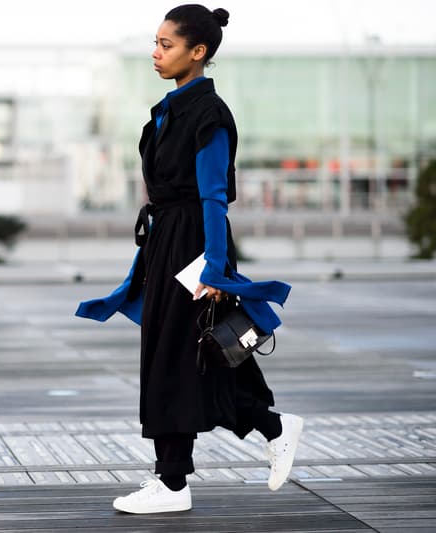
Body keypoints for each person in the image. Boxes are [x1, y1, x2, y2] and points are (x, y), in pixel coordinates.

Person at [76, 5, 303, 514]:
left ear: (197, 52)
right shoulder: (168, 110)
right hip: (166, 241)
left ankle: (173, 483)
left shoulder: (208, 114)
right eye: (155, 43)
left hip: (194, 243)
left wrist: (216, 269)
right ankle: (266, 430)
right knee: (180, 357)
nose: (156, 53)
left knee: (178, 359)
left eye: (166, 45)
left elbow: (213, 196)